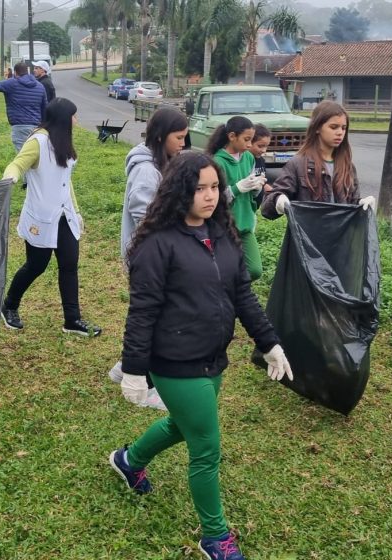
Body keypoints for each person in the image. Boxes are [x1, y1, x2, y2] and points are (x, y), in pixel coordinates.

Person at [108, 151, 293, 560]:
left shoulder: (221, 232)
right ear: (179, 191)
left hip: (212, 357)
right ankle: (215, 537)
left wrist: (269, 343)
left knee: (182, 424)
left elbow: (242, 294)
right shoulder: (157, 244)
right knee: (206, 449)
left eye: (214, 187)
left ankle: (128, 460)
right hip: (174, 362)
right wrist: (135, 371)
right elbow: (142, 313)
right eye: (200, 189)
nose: (210, 196)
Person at [108, 107, 190, 410]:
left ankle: (124, 368)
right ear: (160, 136)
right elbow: (143, 214)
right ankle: (149, 384)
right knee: (157, 319)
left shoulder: (162, 163)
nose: (183, 142)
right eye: (179, 137)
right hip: (149, 258)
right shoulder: (146, 170)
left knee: (152, 317)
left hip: (157, 255)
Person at [0, 98, 101, 337]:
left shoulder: (62, 142)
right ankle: (9, 305)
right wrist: (11, 178)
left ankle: (72, 320)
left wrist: (76, 211)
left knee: (69, 265)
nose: (76, 120)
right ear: (64, 119)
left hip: (64, 215)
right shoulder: (38, 141)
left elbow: (66, 182)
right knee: (36, 265)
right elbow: (16, 165)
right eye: (74, 116)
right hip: (42, 217)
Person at [262, 101, 375, 218]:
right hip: (307, 234)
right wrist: (278, 200)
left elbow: (352, 202)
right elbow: (267, 209)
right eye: (333, 127)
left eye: (343, 128)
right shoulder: (298, 163)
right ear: (317, 128)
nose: (340, 132)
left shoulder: (347, 166)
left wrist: (361, 204)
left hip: (341, 234)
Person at [206, 116, 266, 281]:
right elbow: (213, 199)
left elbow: (252, 190)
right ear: (232, 136)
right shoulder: (217, 162)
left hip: (245, 224)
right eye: (246, 139)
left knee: (254, 270)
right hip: (224, 226)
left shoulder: (249, 158)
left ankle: (236, 293)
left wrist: (256, 188)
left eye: (251, 140)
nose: (249, 144)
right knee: (224, 269)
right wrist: (237, 188)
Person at [249, 124, 273, 208]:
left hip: (255, 207)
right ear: (249, 142)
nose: (264, 150)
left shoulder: (261, 160)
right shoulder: (244, 162)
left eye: (266, 146)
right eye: (260, 146)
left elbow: (263, 184)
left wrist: (274, 192)